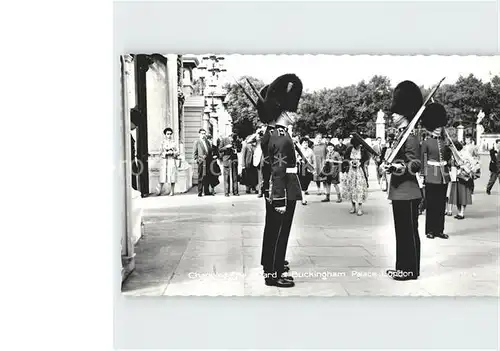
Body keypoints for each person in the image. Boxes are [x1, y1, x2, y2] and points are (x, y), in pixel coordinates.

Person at [261, 73, 303, 288]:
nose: (297, 113)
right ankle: (273, 274)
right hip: (284, 189)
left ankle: (270, 266)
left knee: (273, 231)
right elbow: (278, 169)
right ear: (286, 111)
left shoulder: (275, 133)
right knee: (279, 232)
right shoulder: (281, 136)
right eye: (294, 109)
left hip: (280, 188)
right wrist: (279, 198)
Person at [381, 80, 423, 281]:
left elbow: (416, 164)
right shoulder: (401, 135)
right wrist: (389, 166)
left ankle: (409, 270)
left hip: (408, 191)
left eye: (396, 113)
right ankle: (405, 268)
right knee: (403, 232)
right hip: (400, 191)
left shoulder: (411, 137)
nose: (393, 115)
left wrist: (401, 167)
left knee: (407, 233)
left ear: (405, 113)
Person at [420, 103, 452, 239]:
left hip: (443, 175)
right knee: (431, 204)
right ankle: (430, 230)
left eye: (440, 126)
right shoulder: (426, 143)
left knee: (440, 204)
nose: (439, 128)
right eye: (436, 126)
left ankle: (439, 230)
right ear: (432, 127)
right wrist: (423, 175)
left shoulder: (445, 142)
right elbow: (423, 160)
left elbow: (448, 159)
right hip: (432, 175)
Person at [342, 137, 370, 215]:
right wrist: (349, 162)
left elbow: (366, 159)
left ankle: (360, 208)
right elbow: (345, 158)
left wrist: (361, 163)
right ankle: (353, 207)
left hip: (359, 171)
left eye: (357, 145)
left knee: (359, 188)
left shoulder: (363, 150)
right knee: (352, 188)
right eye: (355, 145)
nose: (357, 147)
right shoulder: (349, 149)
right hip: (351, 171)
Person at [448, 141, 474, 219]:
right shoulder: (453, 154)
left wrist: (464, 165)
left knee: (463, 195)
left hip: (463, 176)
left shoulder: (465, 153)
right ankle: (459, 212)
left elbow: (472, 162)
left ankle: (462, 212)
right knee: (457, 195)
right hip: (455, 176)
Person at [158, 127, 179, 196]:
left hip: (171, 160)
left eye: (170, 134)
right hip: (164, 160)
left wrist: (173, 153)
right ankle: (159, 190)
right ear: (165, 135)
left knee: (172, 175)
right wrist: (165, 153)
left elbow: (177, 151)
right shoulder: (162, 142)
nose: (169, 135)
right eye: (167, 134)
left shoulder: (174, 143)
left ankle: (172, 191)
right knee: (163, 175)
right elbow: (160, 152)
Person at [193, 128, 211, 197]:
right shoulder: (197, 142)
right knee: (200, 176)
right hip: (201, 161)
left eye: (204, 133)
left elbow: (209, 150)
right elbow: (195, 152)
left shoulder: (207, 141)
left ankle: (206, 191)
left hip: (208, 161)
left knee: (207, 176)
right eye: (202, 133)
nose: (203, 135)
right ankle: (200, 192)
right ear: (199, 134)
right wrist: (197, 160)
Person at [297, 137, 315, 205]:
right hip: (301, 168)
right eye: (304, 143)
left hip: (308, 169)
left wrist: (313, 167)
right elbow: (295, 158)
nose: (306, 144)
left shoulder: (310, 150)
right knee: (302, 183)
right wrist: (298, 160)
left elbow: (313, 160)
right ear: (301, 144)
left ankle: (303, 194)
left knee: (307, 182)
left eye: (307, 143)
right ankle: (303, 199)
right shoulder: (298, 150)